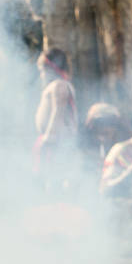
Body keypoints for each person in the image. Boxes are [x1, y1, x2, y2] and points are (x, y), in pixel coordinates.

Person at [35, 47, 81, 187]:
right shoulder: (56, 86)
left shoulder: (59, 85)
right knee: (51, 180)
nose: (42, 75)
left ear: (51, 68)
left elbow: (58, 112)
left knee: (55, 181)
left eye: (43, 71)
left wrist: (50, 138)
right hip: (56, 142)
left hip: (58, 143)